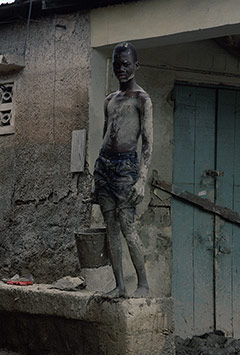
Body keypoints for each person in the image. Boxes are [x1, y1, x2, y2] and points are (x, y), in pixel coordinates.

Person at [92, 42, 153, 298]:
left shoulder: (142, 99)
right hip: (105, 165)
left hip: (127, 167)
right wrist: (97, 171)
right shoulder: (109, 100)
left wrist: (141, 179)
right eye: (117, 64)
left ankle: (143, 284)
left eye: (126, 64)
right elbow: (107, 134)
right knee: (111, 228)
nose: (121, 69)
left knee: (128, 227)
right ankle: (119, 285)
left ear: (136, 65)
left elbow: (148, 141)